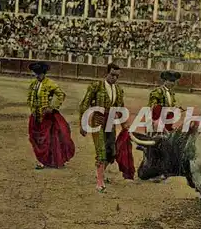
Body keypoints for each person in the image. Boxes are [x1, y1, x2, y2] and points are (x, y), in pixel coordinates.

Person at [78, 62, 128, 193]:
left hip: (110, 120)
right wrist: (83, 123)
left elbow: (121, 108)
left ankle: (100, 173)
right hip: (98, 121)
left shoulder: (118, 90)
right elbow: (84, 105)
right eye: (112, 75)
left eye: (117, 76)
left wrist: (124, 126)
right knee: (101, 151)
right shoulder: (96, 86)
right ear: (106, 73)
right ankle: (99, 182)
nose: (115, 78)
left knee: (111, 151)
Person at [27, 61, 75, 170]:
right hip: (36, 115)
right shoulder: (34, 84)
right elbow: (30, 98)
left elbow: (60, 94)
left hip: (47, 117)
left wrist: (52, 107)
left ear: (43, 73)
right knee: (36, 138)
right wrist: (32, 109)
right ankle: (43, 160)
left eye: (38, 74)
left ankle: (45, 161)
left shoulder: (50, 83)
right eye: (35, 73)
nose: (36, 75)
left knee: (47, 139)